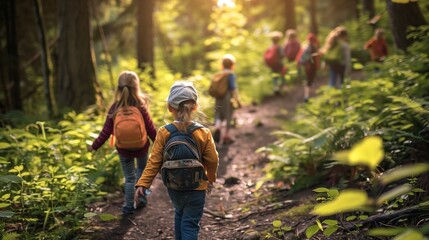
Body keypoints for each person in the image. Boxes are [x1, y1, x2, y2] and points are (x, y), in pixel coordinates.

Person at [134, 81, 219, 240]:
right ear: (195, 106)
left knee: (179, 213)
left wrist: (143, 183)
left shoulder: (164, 132)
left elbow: (154, 162)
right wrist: (210, 178)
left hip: (174, 187)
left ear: (170, 108)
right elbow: (212, 160)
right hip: (197, 187)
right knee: (190, 223)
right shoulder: (203, 132)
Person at [88, 71, 157, 215]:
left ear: (118, 88)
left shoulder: (115, 108)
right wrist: (160, 143)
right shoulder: (140, 106)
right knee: (141, 174)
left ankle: (128, 206)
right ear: (136, 86)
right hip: (142, 147)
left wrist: (94, 146)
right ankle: (142, 199)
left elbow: (105, 132)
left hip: (123, 148)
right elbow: (150, 129)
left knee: (129, 178)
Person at [214, 54, 242, 145]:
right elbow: (233, 88)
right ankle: (226, 136)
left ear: (222, 65)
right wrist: (237, 100)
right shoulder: (231, 75)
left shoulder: (219, 74)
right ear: (232, 65)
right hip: (227, 97)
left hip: (218, 97)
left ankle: (218, 127)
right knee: (228, 115)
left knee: (218, 114)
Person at [297, 33, 320, 102]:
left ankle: (307, 96)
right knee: (311, 81)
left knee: (308, 81)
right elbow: (316, 58)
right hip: (312, 66)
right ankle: (310, 96)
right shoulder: (314, 47)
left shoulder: (305, 47)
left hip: (306, 66)